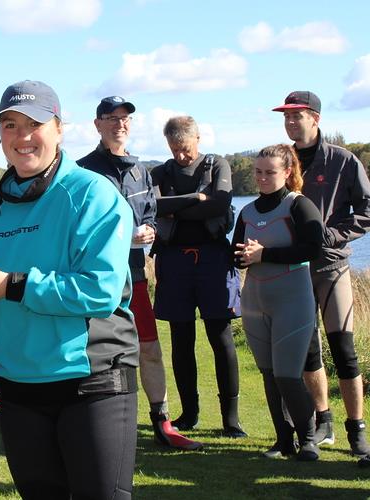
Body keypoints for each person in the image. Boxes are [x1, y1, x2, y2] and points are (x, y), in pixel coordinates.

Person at [0, 80, 138, 499]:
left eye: (34, 123)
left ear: (59, 128)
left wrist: (13, 286)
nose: (22, 136)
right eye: (10, 125)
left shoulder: (94, 195)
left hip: (93, 382)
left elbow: (100, 291)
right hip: (17, 389)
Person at [78, 96, 202, 451]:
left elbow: (149, 213)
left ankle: (162, 422)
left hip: (135, 275)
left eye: (125, 118)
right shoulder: (83, 171)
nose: (120, 124)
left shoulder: (140, 170)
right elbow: (76, 229)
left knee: (148, 348)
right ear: (97, 124)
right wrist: (122, 236)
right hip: (96, 278)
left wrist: (148, 229)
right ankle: (93, 420)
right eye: (111, 118)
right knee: (97, 351)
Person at [272, 91, 370, 460]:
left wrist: (331, 234)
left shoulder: (342, 160)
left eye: (297, 116)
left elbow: (367, 208)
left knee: (344, 350)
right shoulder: (283, 159)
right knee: (307, 351)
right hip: (292, 268)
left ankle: (356, 430)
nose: (290, 122)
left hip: (330, 266)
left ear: (315, 118)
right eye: (286, 116)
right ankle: (321, 420)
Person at [151, 116, 246, 437]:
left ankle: (230, 420)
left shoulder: (217, 165)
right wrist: (196, 200)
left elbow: (220, 203)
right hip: (173, 260)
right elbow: (153, 208)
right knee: (181, 339)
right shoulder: (160, 172)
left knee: (221, 338)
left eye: (186, 149)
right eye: (175, 150)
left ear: (198, 139)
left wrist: (176, 206)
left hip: (213, 260)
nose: (180, 156)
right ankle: (189, 414)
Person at [232, 144, 323, 460]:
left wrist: (265, 254)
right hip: (256, 301)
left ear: (286, 172)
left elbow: (314, 248)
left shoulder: (299, 205)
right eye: (258, 172)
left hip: (292, 300)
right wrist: (244, 257)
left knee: (287, 374)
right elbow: (237, 256)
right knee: (269, 374)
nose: (262, 178)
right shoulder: (247, 212)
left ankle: (309, 439)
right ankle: (283, 441)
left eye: (270, 172)